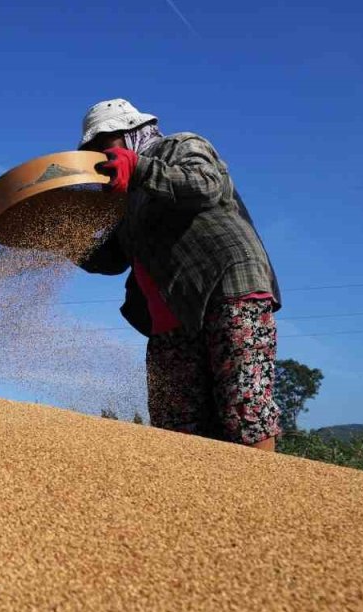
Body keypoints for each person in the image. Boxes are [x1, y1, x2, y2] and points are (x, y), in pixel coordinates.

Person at [76, 99, 283, 451]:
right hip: (169, 315)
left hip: (227, 287)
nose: (100, 157)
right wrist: (61, 244)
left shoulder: (180, 146)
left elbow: (205, 186)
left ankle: (263, 498)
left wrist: (139, 167)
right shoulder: (127, 201)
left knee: (244, 407)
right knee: (176, 423)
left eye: (104, 146)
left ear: (130, 133)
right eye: (92, 151)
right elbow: (112, 259)